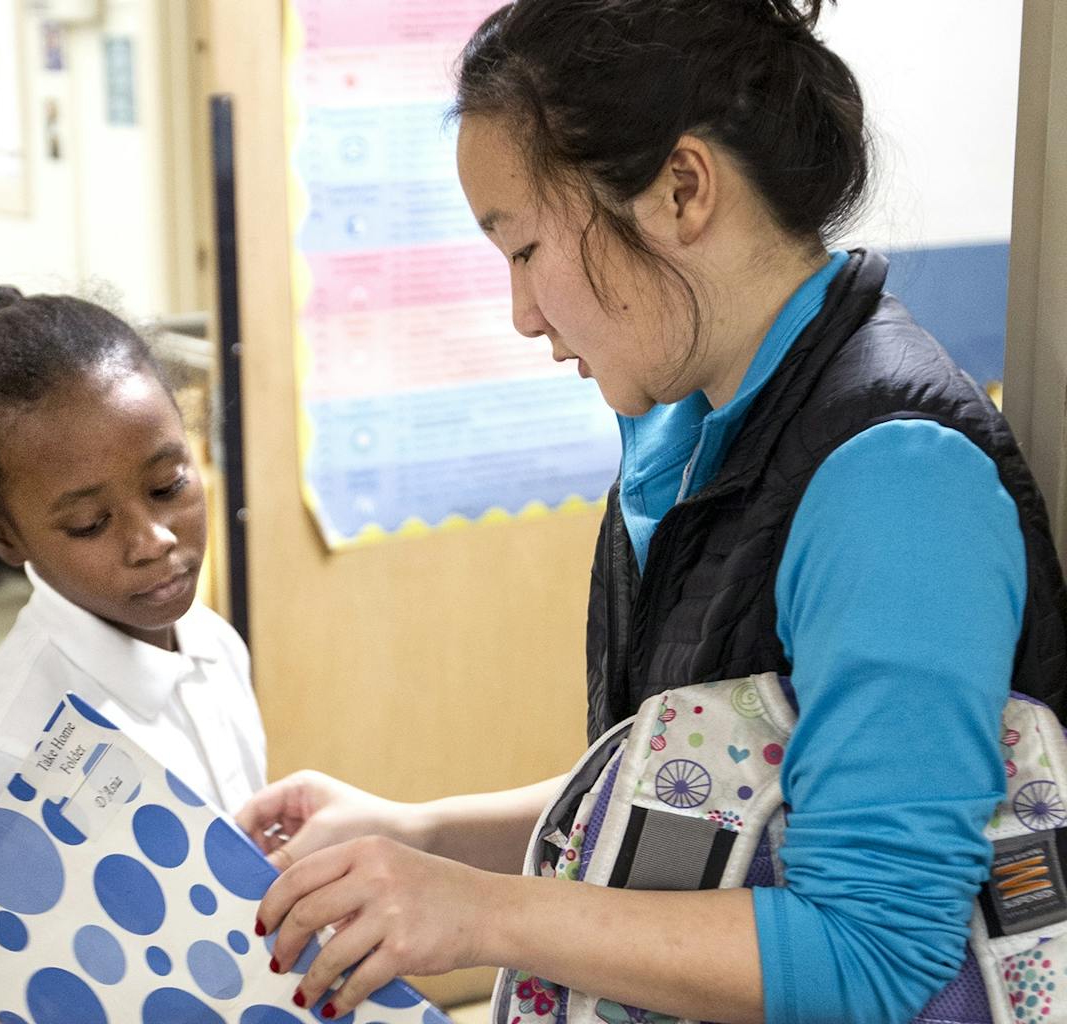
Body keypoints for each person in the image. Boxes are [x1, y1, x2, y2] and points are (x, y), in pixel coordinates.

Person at [236, 2, 1067, 1022]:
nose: (521, 313)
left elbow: (873, 951)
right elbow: (701, 796)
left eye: (525, 248)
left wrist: (484, 912)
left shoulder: (892, 481)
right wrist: (423, 834)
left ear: (680, 190)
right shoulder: (698, 431)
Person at [0, 288, 266, 1023]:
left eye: (169, 485)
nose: (153, 540)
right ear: (3, 536)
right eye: (91, 524)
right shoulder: (16, 748)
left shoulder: (215, 646)